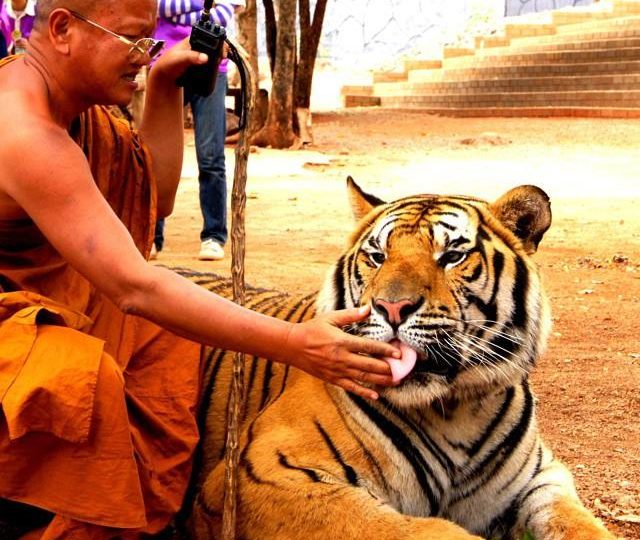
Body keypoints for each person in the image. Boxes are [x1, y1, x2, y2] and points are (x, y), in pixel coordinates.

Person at [0, 0, 400, 537]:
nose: (144, 54)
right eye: (133, 41)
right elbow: (135, 285)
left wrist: (164, 86)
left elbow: (155, 197)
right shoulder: (23, 131)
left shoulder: (78, 113)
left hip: (55, 307)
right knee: (71, 376)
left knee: (165, 343)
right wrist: (294, 343)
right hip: (20, 324)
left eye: (149, 42)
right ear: (63, 29)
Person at [153, 0, 242, 261]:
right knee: (156, 154)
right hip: (166, 63)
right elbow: (158, 8)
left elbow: (222, 17)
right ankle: (151, 237)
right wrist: (204, 4)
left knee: (211, 156)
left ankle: (214, 236)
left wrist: (182, 11)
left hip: (212, 65)